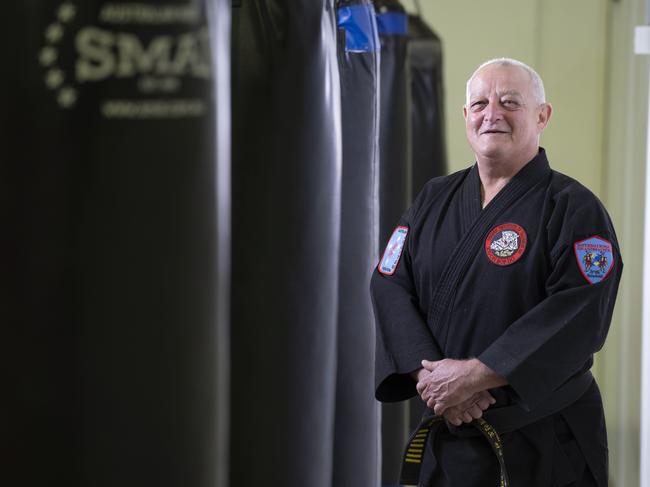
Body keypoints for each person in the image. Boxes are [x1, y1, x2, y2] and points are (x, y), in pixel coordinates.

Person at [371, 58, 622, 487]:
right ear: (466, 115)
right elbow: (390, 281)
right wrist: (431, 378)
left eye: (510, 102)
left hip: (543, 441)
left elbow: (578, 310)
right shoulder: (435, 197)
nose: (493, 113)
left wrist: (475, 375)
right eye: (481, 103)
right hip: (449, 434)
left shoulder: (573, 208)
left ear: (542, 116)